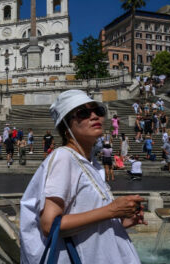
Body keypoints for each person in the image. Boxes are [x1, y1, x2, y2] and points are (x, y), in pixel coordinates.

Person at [20, 90, 145, 263]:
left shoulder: (91, 163)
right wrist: (112, 210)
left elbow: (88, 218)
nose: (94, 116)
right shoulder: (64, 157)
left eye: (98, 111)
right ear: (66, 127)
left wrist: (120, 220)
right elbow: (50, 225)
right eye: (83, 113)